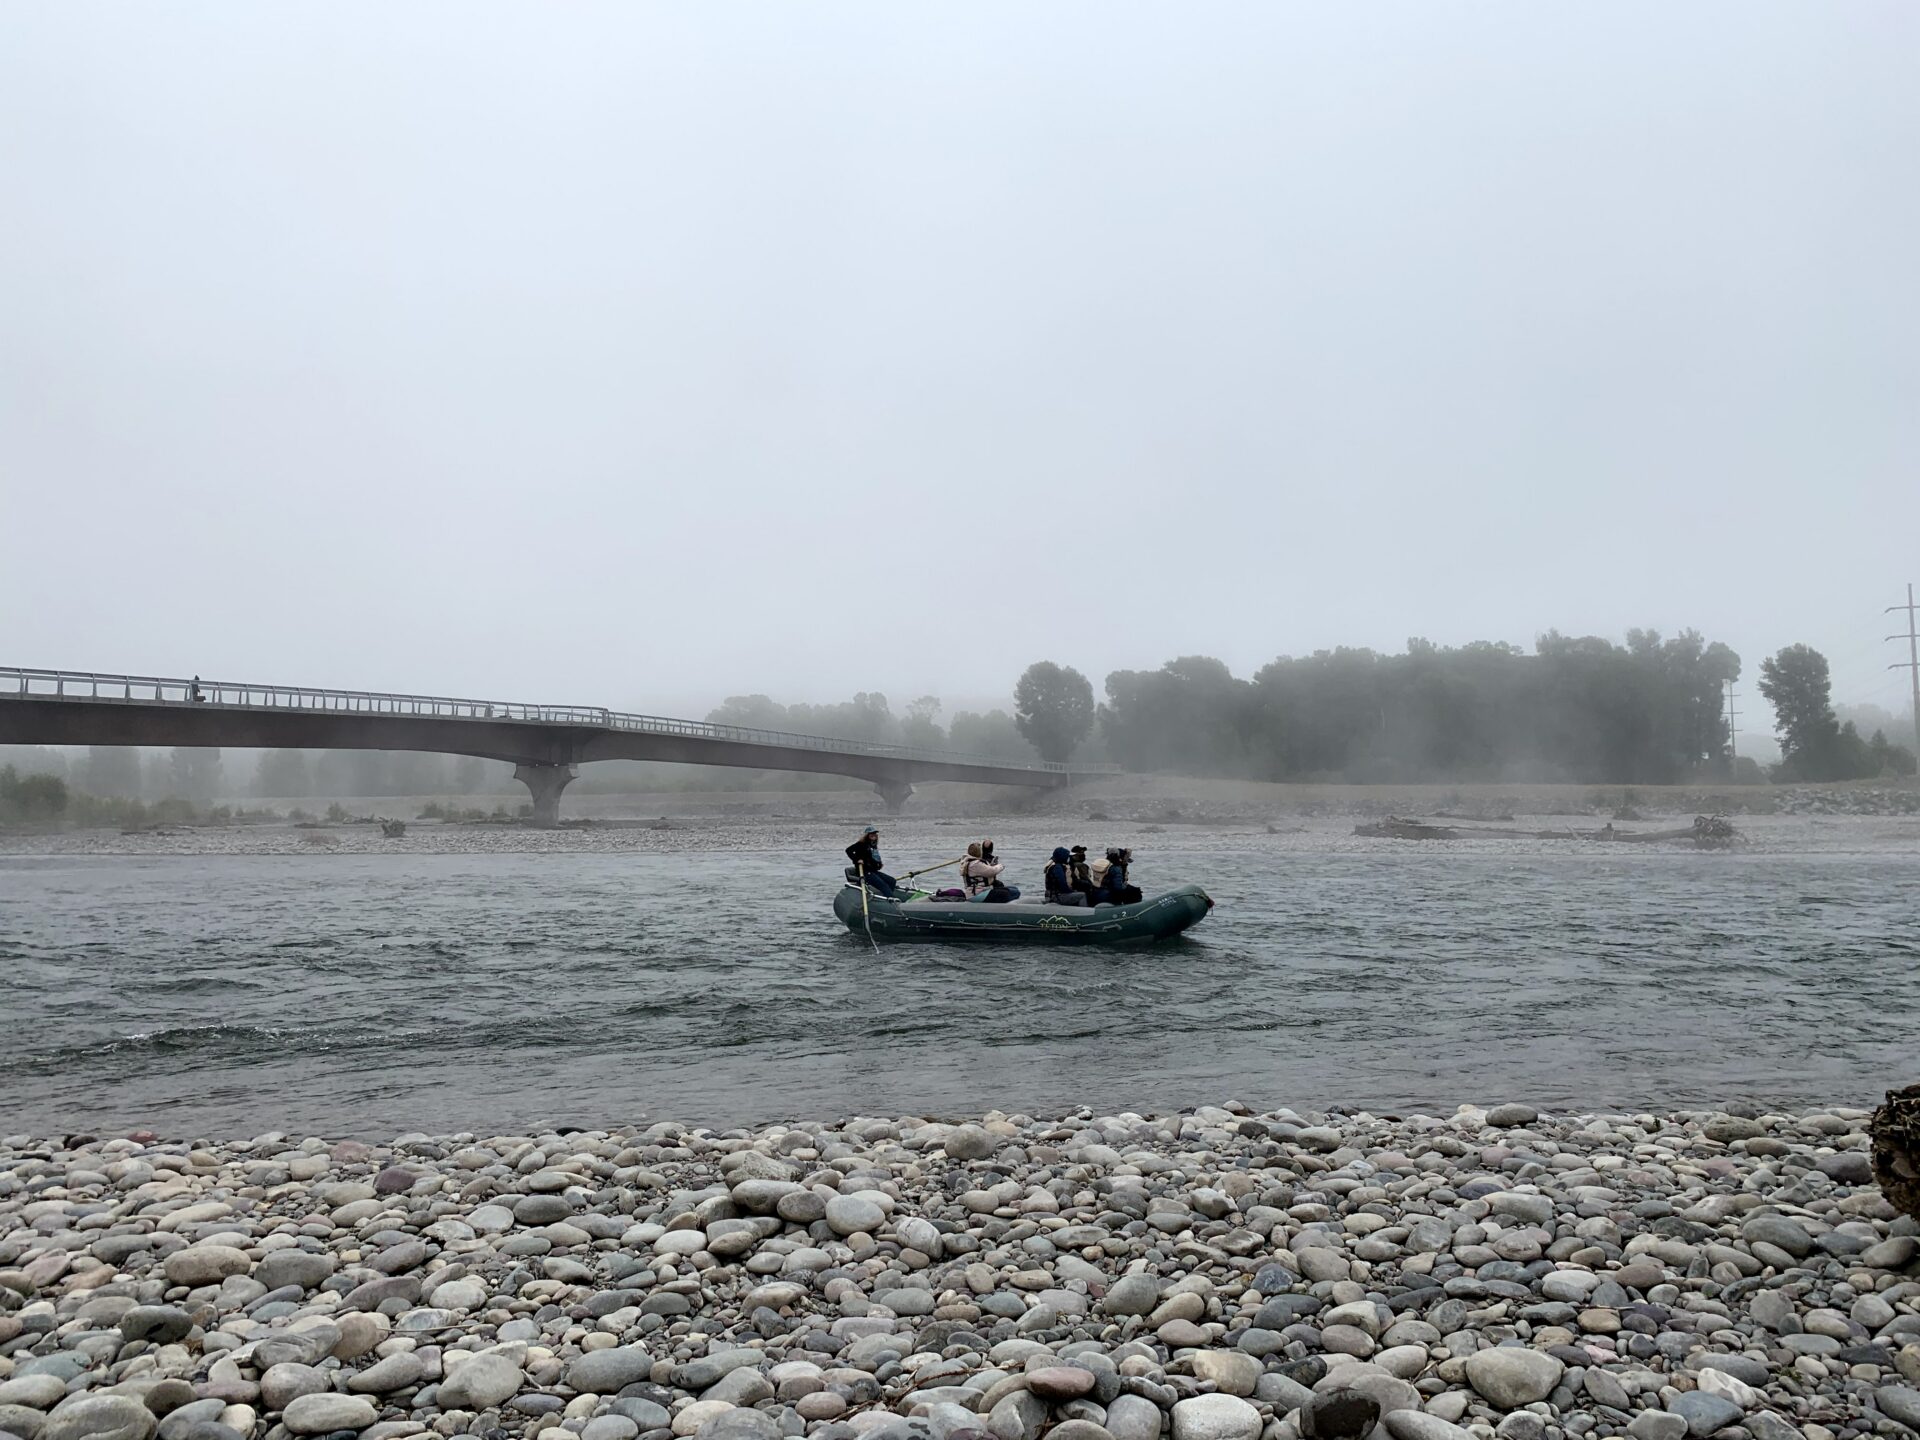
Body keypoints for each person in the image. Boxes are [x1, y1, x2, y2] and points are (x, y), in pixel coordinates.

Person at [846, 825, 898, 898]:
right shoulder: (861, 844)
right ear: (867, 835)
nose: (874, 835)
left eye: (875, 833)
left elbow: (872, 858)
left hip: (872, 871)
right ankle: (891, 899)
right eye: (871, 834)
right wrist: (857, 859)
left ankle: (885, 897)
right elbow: (848, 850)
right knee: (883, 884)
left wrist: (879, 864)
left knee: (892, 881)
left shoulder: (873, 845)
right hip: (865, 872)